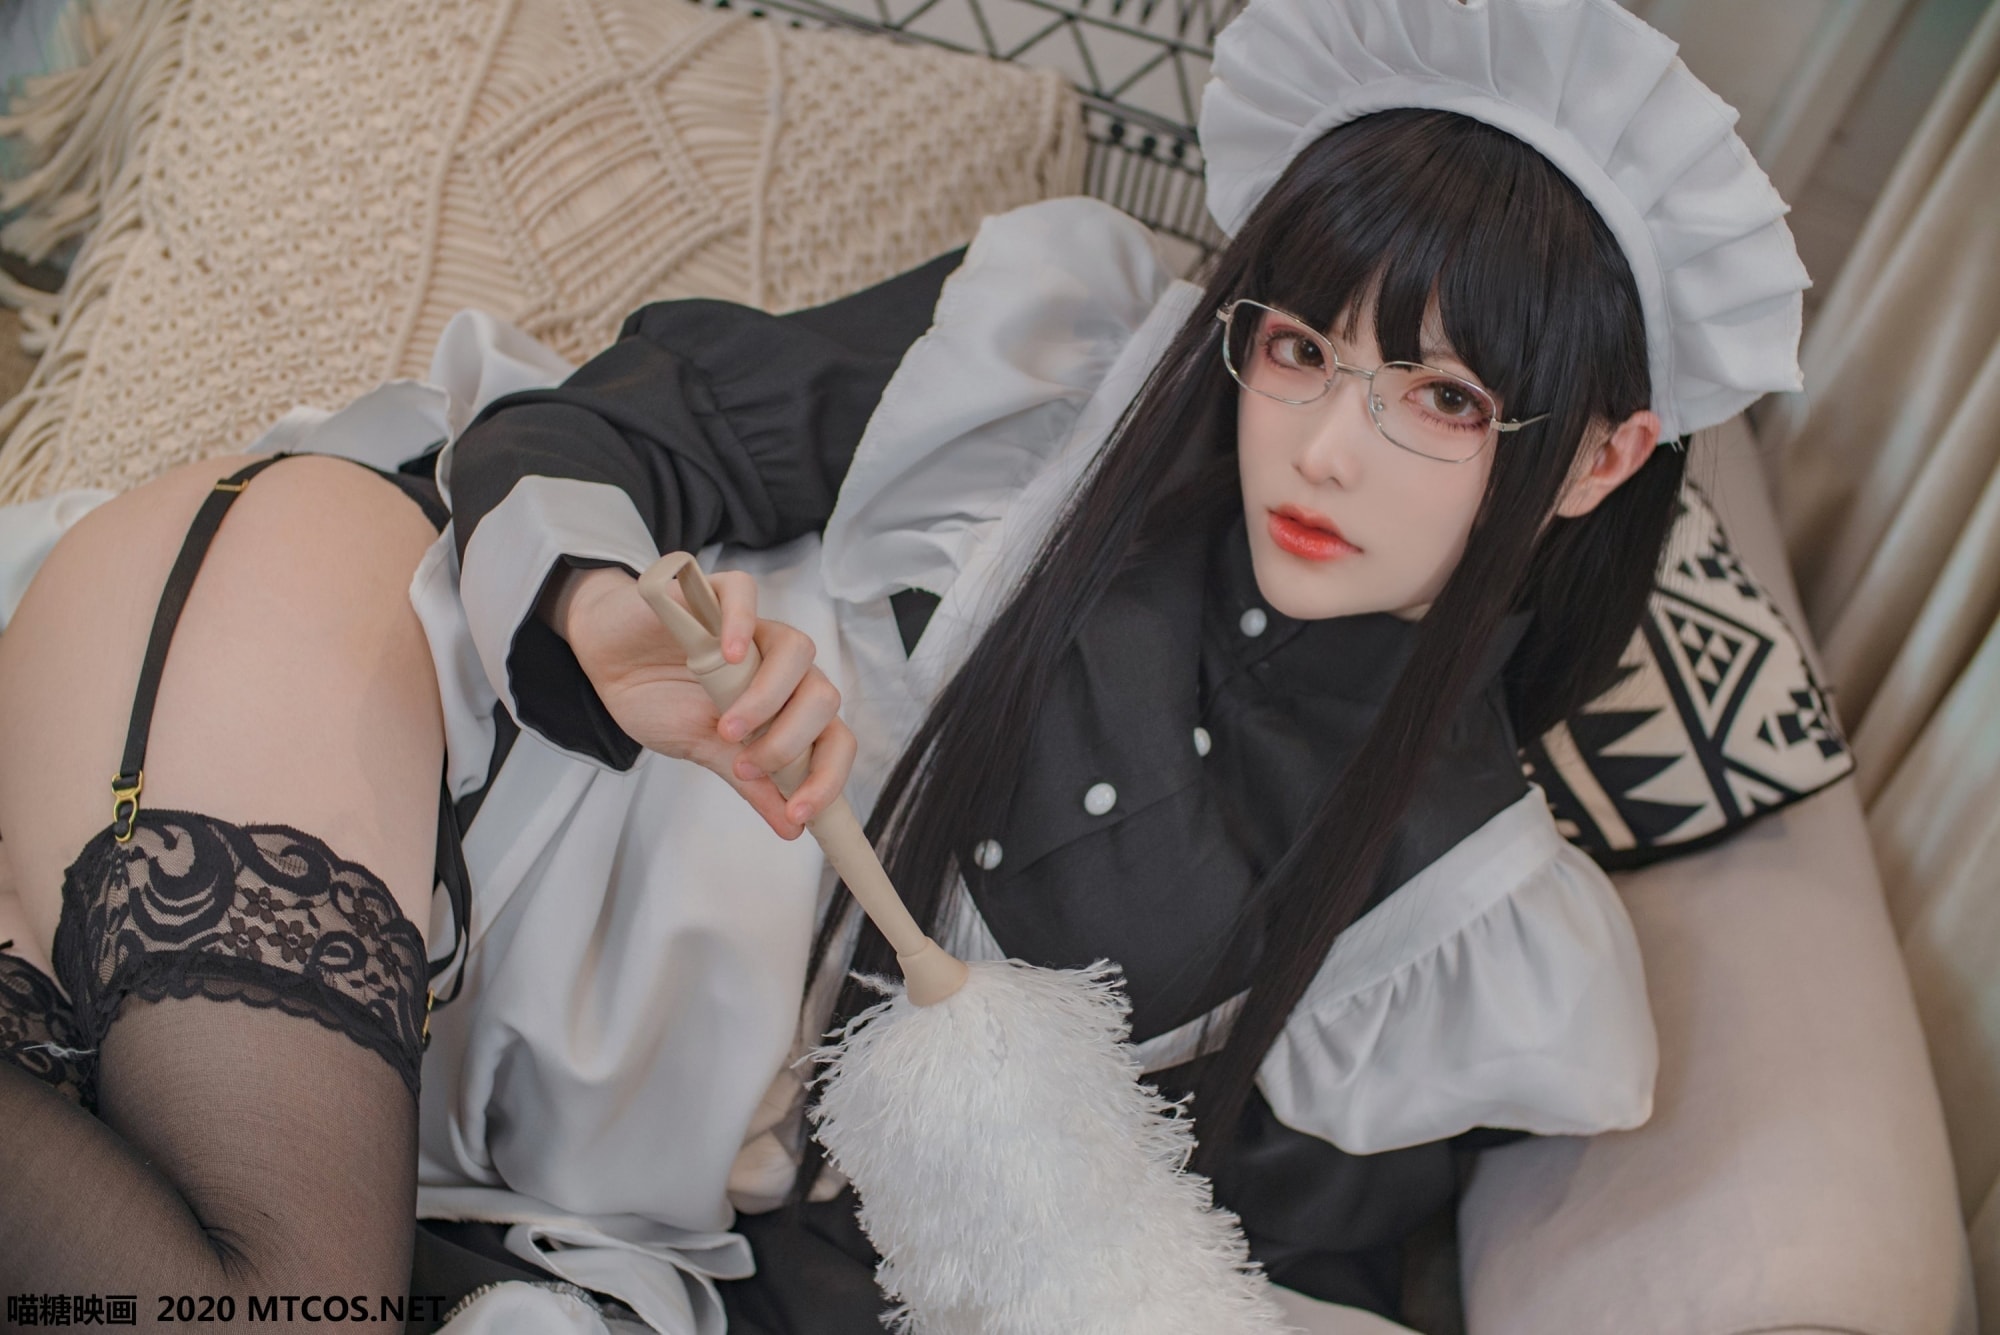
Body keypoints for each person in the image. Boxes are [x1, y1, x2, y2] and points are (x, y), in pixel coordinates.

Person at [0, 0, 1810, 1328]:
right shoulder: (1067, 371)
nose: (1328, 452)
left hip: (512, 1156)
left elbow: (1130, 1273)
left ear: (1598, 459)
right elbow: (607, 433)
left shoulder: (1449, 930)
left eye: (1443, 398)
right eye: (1301, 353)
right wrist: (608, 627)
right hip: (374, 675)